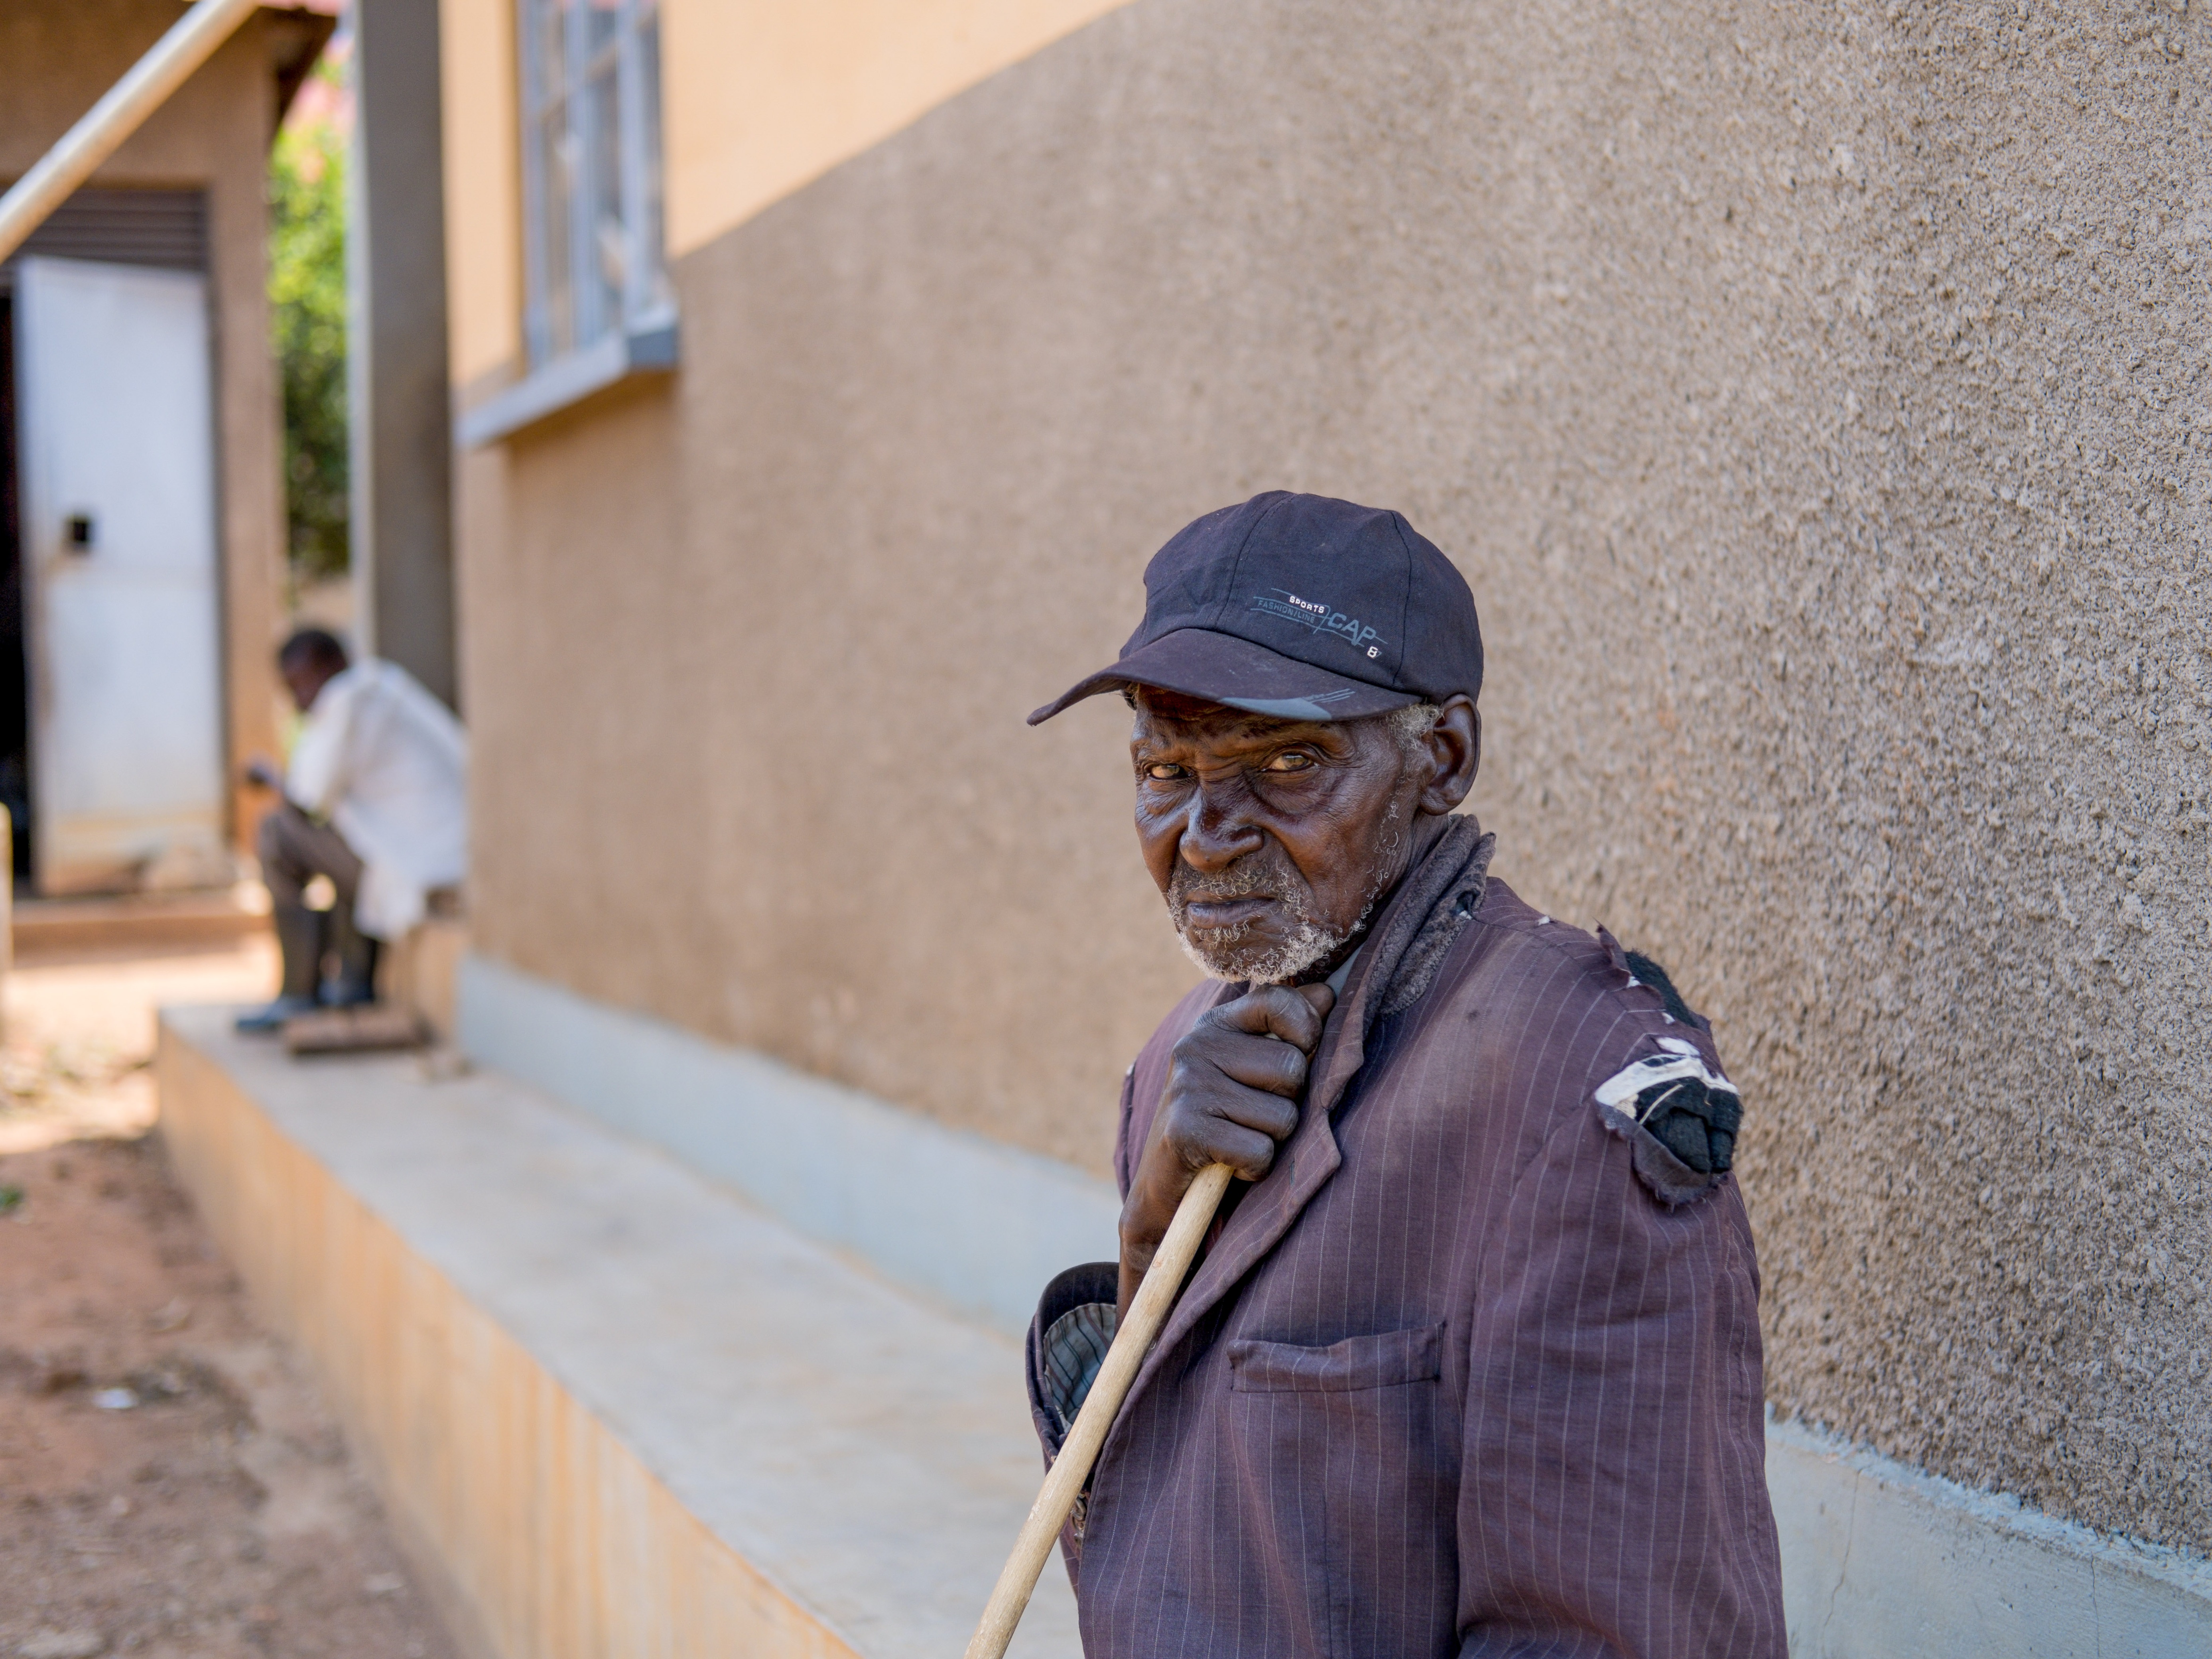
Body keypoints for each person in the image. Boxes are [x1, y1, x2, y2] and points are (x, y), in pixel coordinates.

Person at [1021, 493, 1784, 1657]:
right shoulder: (1184, 1052)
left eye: (1286, 760)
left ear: (1442, 758)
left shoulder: (1579, 1092)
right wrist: (1150, 1227)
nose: (1207, 831)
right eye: (1166, 766)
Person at [234, 629, 467, 1034]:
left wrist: (266, 776)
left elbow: (307, 802)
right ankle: (350, 980)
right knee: (346, 834)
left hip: (425, 864)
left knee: (277, 832)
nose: (298, 700)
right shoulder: (384, 687)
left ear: (330, 666)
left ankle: (298, 992)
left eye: (300, 683)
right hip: (450, 855)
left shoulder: (348, 697)